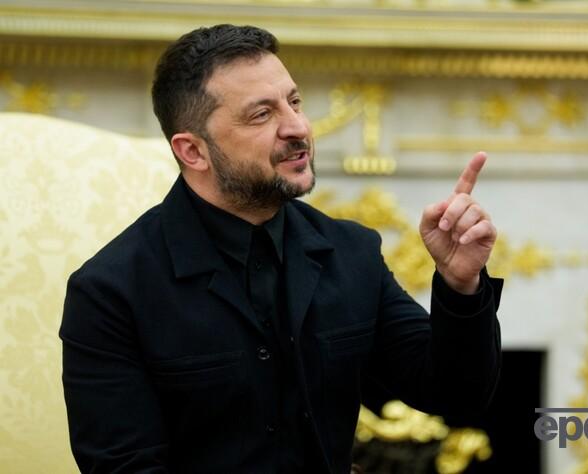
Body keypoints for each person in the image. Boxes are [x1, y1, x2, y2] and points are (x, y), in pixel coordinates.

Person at [60, 24, 502, 474]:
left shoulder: (351, 251)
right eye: (261, 114)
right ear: (193, 151)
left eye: (295, 102)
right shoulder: (110, 292)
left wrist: (460, 284)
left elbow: (455, 394)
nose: (298, 127)